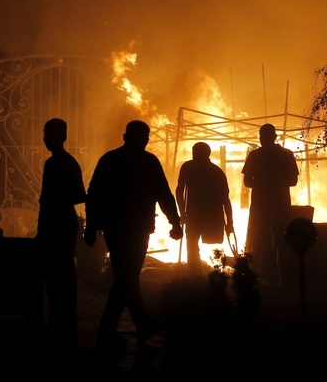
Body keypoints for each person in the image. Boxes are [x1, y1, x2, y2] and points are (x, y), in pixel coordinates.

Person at [83, 120, 183, 353]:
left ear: (125, 136)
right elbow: (164, 194)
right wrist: (175, 222)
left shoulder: (110, 160)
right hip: (137, 229)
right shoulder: (149, 162)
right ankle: (123, 328)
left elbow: (94, 194)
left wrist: (91, 226)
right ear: (145, 139)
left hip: (116, 229)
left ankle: (134, 326)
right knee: (127, 278)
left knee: (125, 278)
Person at [35, 118, 87, 343]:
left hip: (59, 223)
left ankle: (63, 321)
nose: (48, 140)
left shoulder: (61, 163)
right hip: (59, 222)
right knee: (60, 272)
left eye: (52, 136)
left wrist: (55, 200)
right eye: (46, 135)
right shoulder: (62, 162)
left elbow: (79, 195)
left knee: (59, 273)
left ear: (63, 138)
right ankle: (63, 320)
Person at [241, 123, 299, 287]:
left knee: (257, 244)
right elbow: (293, 181)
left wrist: (262, 182)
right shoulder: (286, 155)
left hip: (261, 206)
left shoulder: (255, 156)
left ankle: (253, 281)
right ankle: (284, 283)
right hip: (280, 206)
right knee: (280, 244)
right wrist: (277, 182)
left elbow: (247, 182)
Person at [175, 142, 235, 277]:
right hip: (209, 216)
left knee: (193, 245)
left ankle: (198, 275)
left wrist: (182, 212)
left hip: (196, 214)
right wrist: (229, 223)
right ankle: (205, 275)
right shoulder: (216, 171)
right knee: (197, 245)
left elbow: (179, 191)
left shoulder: (188, 167)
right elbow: (226, 200)